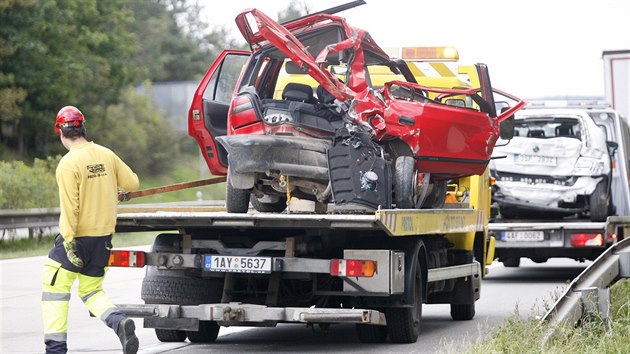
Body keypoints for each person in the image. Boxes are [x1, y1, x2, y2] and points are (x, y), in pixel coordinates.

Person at [41, 106, 140, 354]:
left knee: (54, 289)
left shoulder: (68, 163)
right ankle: (119, 322)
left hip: (77, 238)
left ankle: (55, 349)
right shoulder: (106, 154)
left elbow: (70, 206)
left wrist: (68, 240)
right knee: (91, 290)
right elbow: (132, 183)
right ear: (83, 128)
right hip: (102, 239)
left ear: (60, 133)